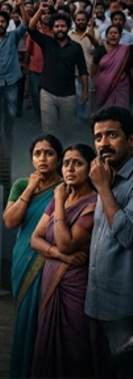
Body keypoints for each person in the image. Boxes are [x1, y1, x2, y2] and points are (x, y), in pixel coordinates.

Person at [27, 143, 96, 377]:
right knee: (47, 343)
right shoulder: (59, 198)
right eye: (66, 163)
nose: (70, 169)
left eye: (77, 163)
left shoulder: (93, 203)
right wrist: (59, 255)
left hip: (74, 285)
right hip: (51, 277)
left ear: (90, 168)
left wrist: (58, 201)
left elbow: (66, 241)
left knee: (74, 347)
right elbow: (34, 240)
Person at [4, 134, 63, 378]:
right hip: (24, 258)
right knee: (25, 319)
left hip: (52, 260)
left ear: (58, 158)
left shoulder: (64, 187)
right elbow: (10, 221)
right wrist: (30, 187)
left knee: (48, 320)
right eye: (37, 154)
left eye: (48, 153)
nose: (42, 158)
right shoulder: (20, 185)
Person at [86, 106, 133, 377]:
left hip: (123, 309)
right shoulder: (105, 176)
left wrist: (103, 189)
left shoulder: (110, 183)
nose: (103, 143)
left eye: (111, 135)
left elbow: (127, 235)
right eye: (98, 137)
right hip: (95, 302)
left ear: (131, 140)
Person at [28, 10, 89, 138]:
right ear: (52, 29)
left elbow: (83, 69)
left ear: (67, 28)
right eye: (56, 26)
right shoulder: (46, 42)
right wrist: (40, 11)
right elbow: (31, 28)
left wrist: (85, 90)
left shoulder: (76, 47)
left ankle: (65, 154)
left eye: (62, 26)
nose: (60, 29)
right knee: (49, 130)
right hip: (47, 94)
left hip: (68, 95)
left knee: (67, 129)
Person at [0, 4, 30, 153]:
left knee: (11, 113)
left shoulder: (13, 36)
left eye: (3, 22)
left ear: (7, 24)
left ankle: (8, 133)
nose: (0, 24)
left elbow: (26, 24)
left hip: (11, 81)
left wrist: (21, 6)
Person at [91, 25, 132, 111]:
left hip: (121, 86)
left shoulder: (125, 51)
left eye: (115, 33)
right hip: (103, 87)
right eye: (110, 33)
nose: (113, 35)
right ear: (106, 36)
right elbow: (93, 69)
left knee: (121, 112)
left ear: (120, 36)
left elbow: (128, 68)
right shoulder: (100, 50)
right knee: (104, 112)